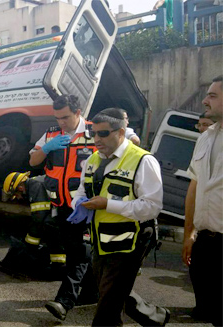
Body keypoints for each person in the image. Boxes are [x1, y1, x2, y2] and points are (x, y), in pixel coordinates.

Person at [72, 107, 169, 326]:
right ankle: (156, 318)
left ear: (121, 132)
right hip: (100, 239)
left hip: (131, 240)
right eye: (93, 133)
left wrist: (108, 204)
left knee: (108, 302)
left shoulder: (143, 161)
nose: (97, 139)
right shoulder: (92, 161)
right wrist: (77, 203)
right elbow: (80, 191)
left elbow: (152, 207)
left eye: (104, 133)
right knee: (110, 289)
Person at [29, 94, 97, 320]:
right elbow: (33, 161)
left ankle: (64, 301)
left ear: (78, 112)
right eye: (57, 118)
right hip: (62, 206)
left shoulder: (94, 132)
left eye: (65, 117)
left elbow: (126, 137)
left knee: (79, 253)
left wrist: (132, 135)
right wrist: (47, 148)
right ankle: (91, 292)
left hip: (87, 206)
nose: (61, 122)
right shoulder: (51, 134)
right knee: (75, 251)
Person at [182, 75, 223, 326]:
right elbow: (195, 187)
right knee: (210, 312)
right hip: (205, 244)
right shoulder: (205, 138)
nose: (205, 100)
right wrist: (189, 234)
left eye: (213, 95)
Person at [1, 172, 66, 273]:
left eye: (16, 195)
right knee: (47, 225)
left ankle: (60, 266)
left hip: (66, 211)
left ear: (20, 188)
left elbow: (39, 216)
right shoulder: (34, 184)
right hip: (64, 208)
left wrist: (29, 244)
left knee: (49, 225)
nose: (18, 198)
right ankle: (57, 263)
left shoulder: (35, 186)